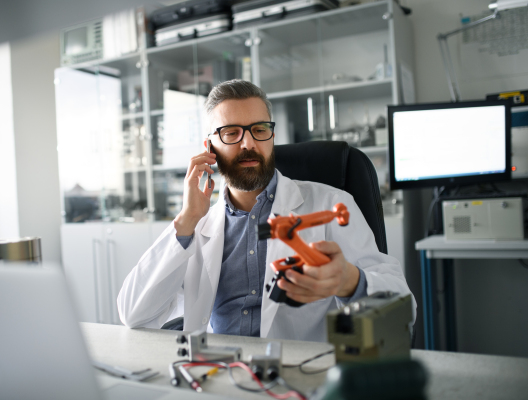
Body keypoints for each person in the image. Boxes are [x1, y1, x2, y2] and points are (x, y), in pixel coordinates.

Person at [118, 79, 416, 342]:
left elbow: (404, 306)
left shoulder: (330, 204)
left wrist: (350, 281)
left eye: (259, 129)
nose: (249, 143)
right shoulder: (197, 225)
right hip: (219, 378)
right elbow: (132, 314)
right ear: (209, 147)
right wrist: (186, 220)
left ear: (271, 136)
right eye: (231, 133)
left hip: (301, 378)